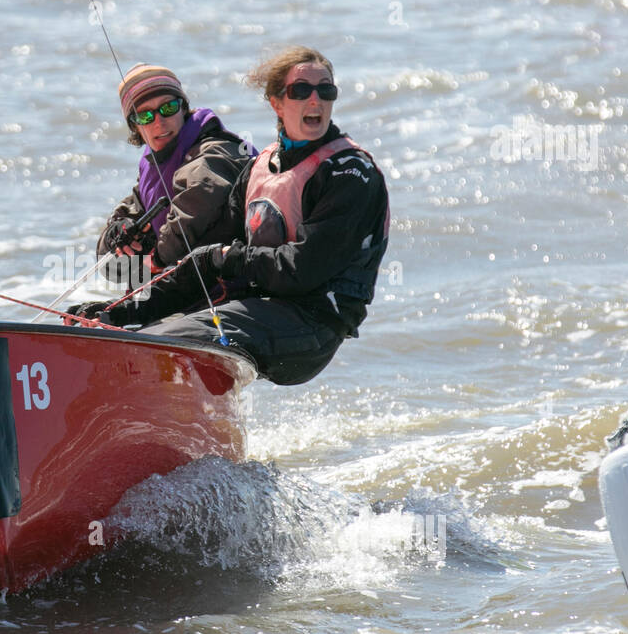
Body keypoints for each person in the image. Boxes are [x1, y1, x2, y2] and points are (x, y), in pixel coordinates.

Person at [71, 46, 389, 386]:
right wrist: (122, 310)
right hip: (257, 309)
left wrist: (227, 259)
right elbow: (202, 265)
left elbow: (301, 270)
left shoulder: (351, 174)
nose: (316, 100)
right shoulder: (259, 167)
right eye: (301, 91)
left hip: (314, 322)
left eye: (325, 90)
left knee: (159, 345)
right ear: (276, 102)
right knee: (136, 334)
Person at [96, 63, 252, 288]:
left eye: (168, 108)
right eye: (145, 116)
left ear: (183, 107)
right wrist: (117, 233)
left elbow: (198, 200)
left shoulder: (215, 150)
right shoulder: (152, 164)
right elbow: (131, 212)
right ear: (135, 126)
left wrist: (155, 261)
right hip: (178, 287)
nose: (159, 122)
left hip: (231, 287)